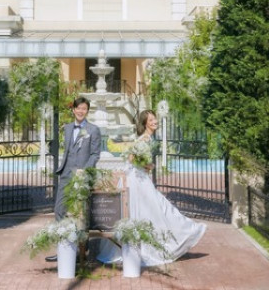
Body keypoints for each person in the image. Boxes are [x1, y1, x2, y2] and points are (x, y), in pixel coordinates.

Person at [98, 109, 206, 266]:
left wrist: (146, 165)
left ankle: (154, 244)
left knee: (152, 211)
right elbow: (132, 158)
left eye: (155, 119)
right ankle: (177, 236)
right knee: (156, 210)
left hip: (140, 178)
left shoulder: (147, 138)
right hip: (138, 181)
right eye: (151, 120)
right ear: (145, 123)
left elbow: (133, 158)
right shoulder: (145, 139)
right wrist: (148, 165)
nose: (154, 121)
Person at [45, 96, 102, 262]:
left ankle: (81, 250)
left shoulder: (93, 130)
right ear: (73, 110)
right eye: (78, 108)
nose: (81, 111)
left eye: (84, 109)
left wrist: (84, 171)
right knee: (59, 210)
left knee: (80, 214)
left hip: (81, 177)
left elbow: (95, 154)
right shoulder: (68, 128)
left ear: (87, 111)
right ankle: (63, 248)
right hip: (65, 175)